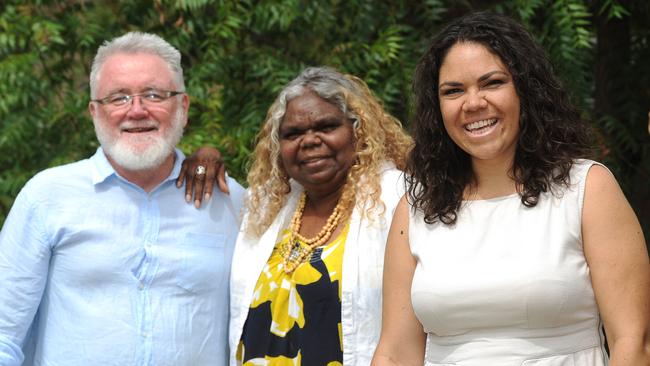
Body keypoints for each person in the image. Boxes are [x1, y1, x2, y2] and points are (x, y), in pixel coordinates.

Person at [372, 12, 650, 366]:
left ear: (526, 90)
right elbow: (395, 353)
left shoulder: (588, 188)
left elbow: (633, 341)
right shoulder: (416, 207)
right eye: (453, 91)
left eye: (492, 83)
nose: (473, 103)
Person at [0, 32, 244, 365]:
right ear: (94, 112)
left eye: (154, 94)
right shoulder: (47, 198)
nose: (137, 110)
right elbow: (4, 333)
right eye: (118, 98)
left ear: (183, 107)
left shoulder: (230, 202)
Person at [182, 66, 411, 365]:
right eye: (293, 133)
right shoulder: (264, 207)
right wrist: (206, 155)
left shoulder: (399, 200)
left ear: (358, 131)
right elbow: (213, 192)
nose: (310, 140)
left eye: (326, 127)